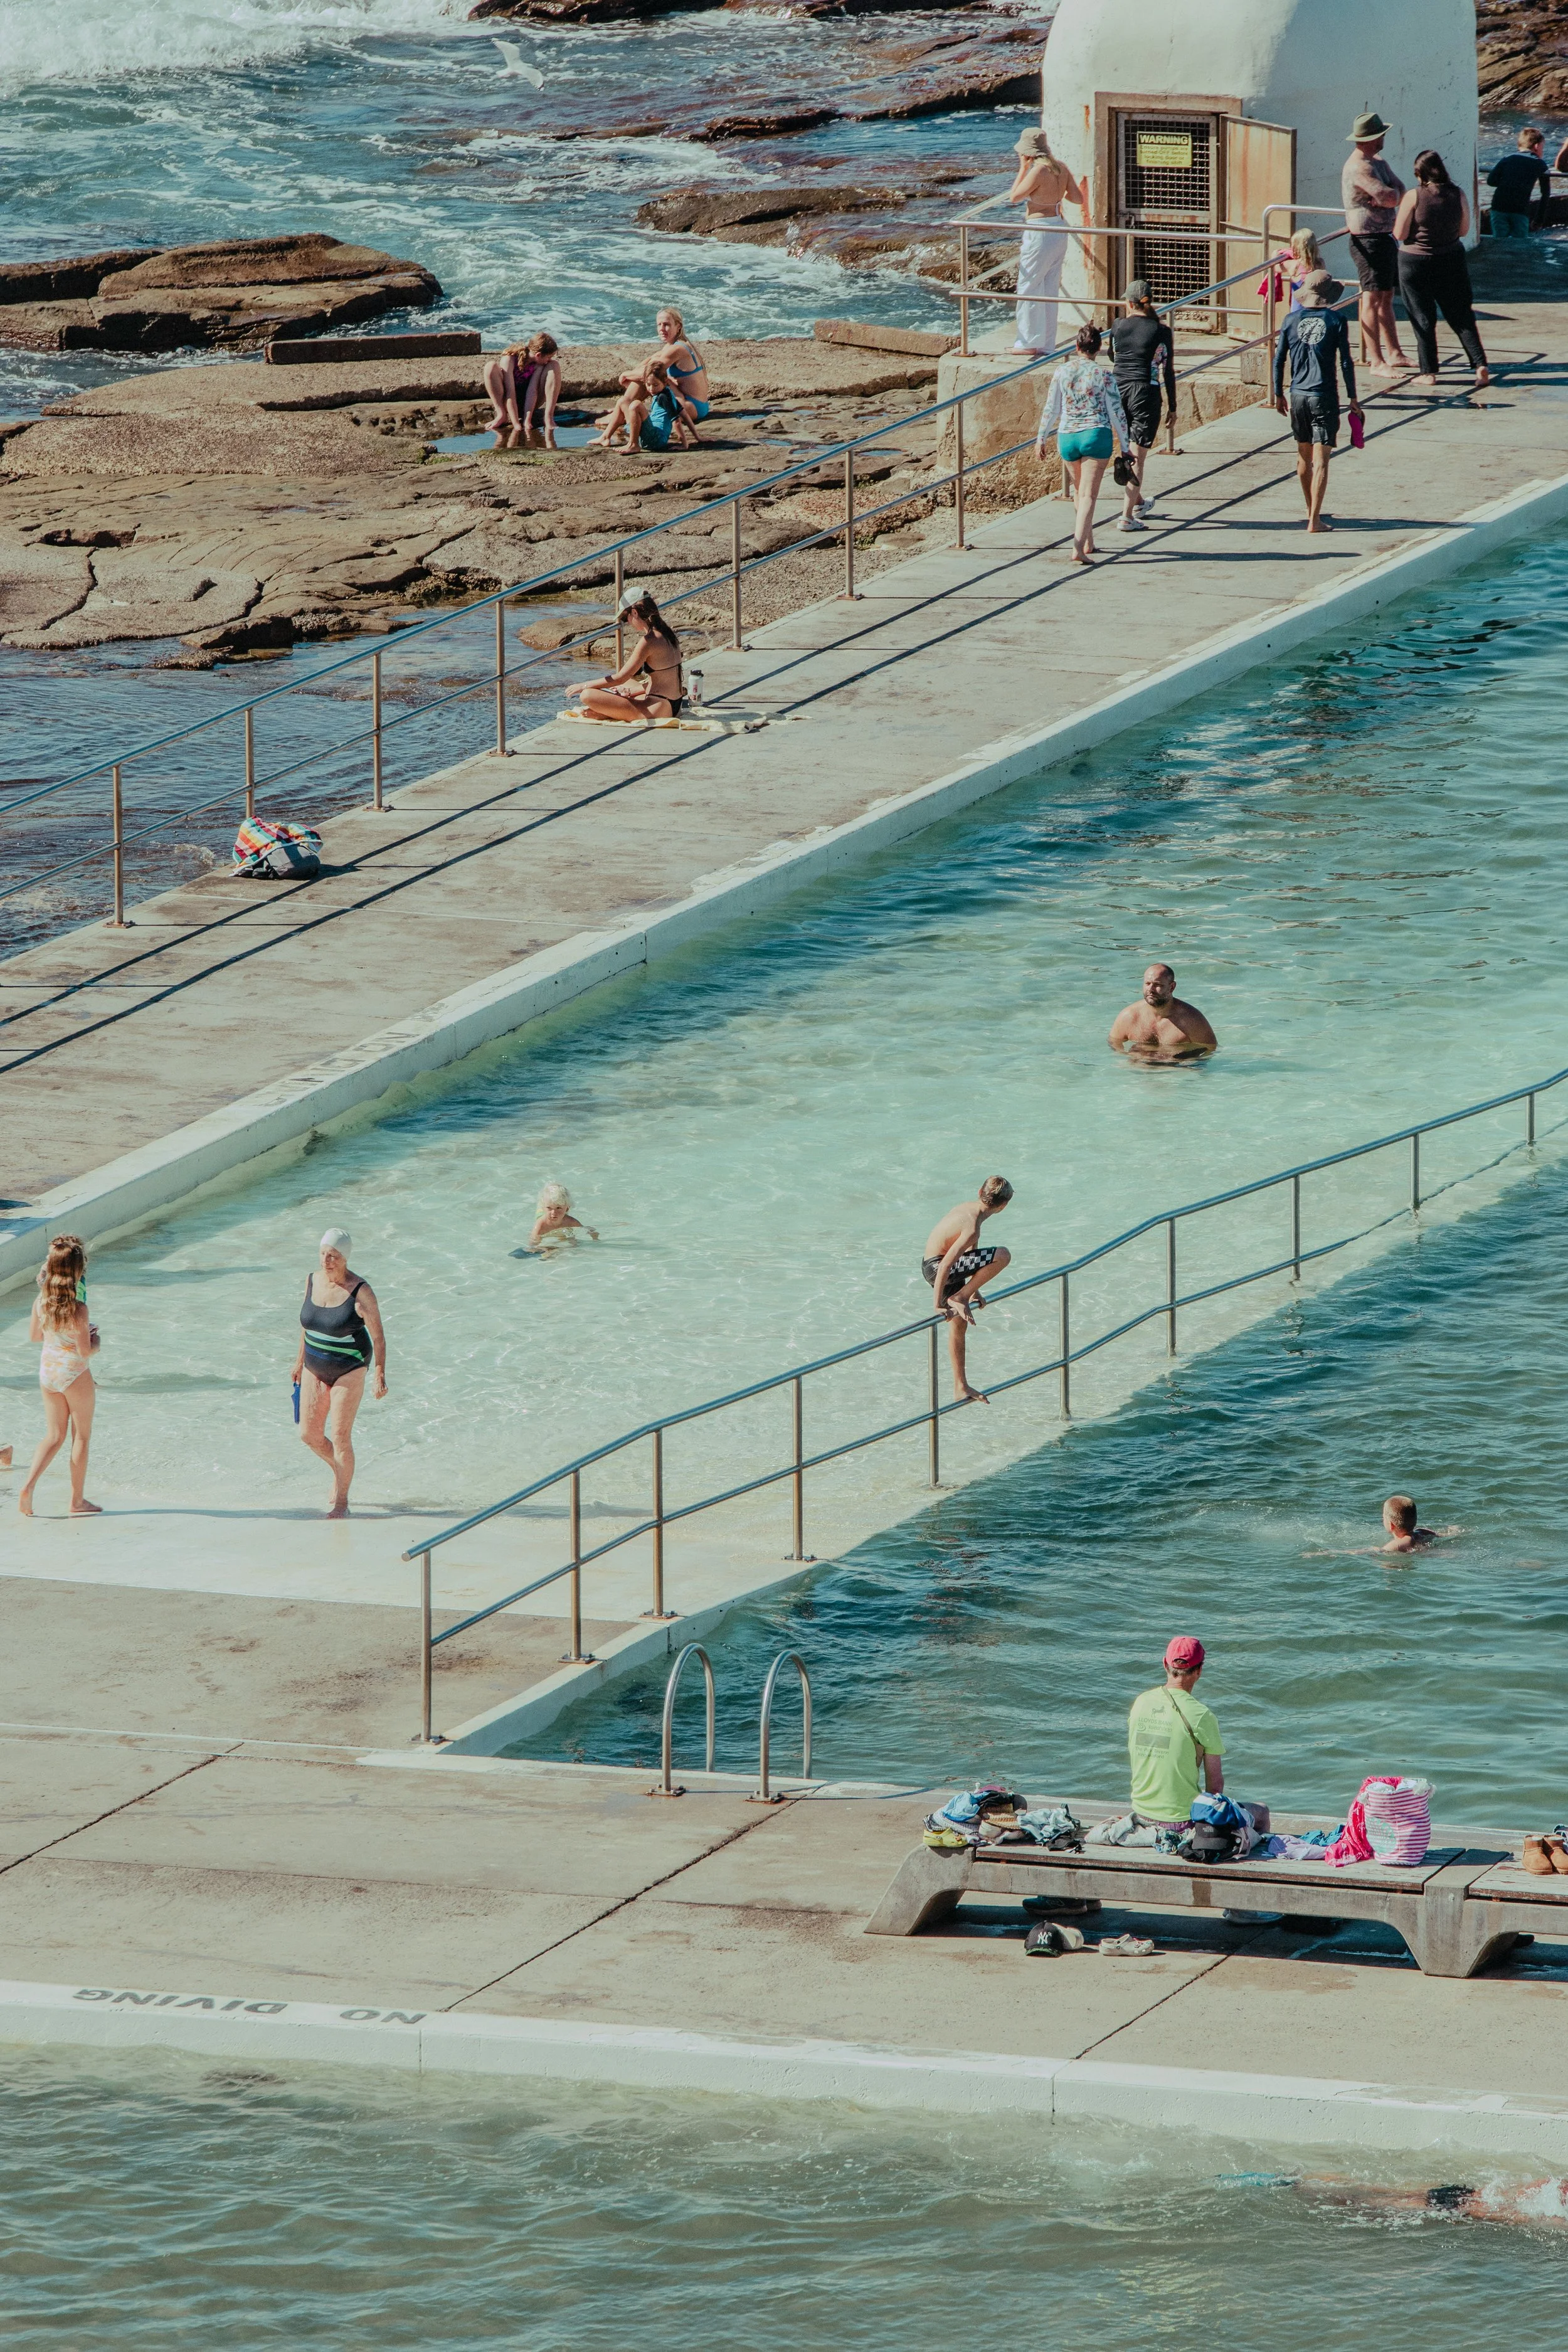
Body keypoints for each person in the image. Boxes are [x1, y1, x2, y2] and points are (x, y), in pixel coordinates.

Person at [291, 1227, 386, 1519]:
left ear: (345, 1258)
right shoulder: (311, 1281)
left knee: (340, 1436)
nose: (326, 1260)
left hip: (350, 1367)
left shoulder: (361, 1291)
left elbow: (379, 1337)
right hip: (314, 1366)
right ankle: (338, 1469)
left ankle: (342, 1502)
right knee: (308, 1434)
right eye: (323, 1254)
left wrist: (379, 1374)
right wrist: (298, 1362)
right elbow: (307, 1326)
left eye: (333, 1256)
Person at [1272, 269, 1362, 535]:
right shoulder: (1336, 320)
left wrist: (1278, 393)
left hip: (1297, 395)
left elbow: (1279, 360)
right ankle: (1315, 520)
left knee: (1303, 459)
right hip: (1324, 396)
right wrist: (1353, 397)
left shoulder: (1290, 320)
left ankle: (1313, 512)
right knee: (1321, 461)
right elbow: (1346, 360)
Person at [18, 1234, 100, 1518]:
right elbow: (85, 1352)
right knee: (81, 1438)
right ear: (78, 1271)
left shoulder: (41, 1303)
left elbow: (34, 1336)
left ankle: (28, 1487)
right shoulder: (79, 1309)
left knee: (53, 1435)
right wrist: (96, 1339)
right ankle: (77, 1501)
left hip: (48, 1373)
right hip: (74, 1374)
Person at [1035, 323, 1130, 564]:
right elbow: (1116, 412)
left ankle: (1088, 541)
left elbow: (1052, 408)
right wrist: (1126, 447)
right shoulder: (1104, 375)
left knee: (1079, 491)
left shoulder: (1061, 371)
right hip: (1095, 435)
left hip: (1067, 437)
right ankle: (1077, 547)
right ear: (1098, 349)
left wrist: (1041, 437)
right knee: (1089, 494)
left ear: (1077, 347)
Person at [1395, 152, 1491, 389]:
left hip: (1415, 262)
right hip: (1451, 258)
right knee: (1461, 314)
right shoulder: (1457, 194)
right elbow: (1464, 230)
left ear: (1420, 174)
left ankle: (1428, 372)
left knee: (1423, 317)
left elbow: (1399, 234)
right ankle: (1480, 365)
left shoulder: (1413, 196)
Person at [921, 1177, 1014, 1406]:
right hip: (939, 1267)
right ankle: (959, 1297)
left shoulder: (969, 1209)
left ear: (979, 1191)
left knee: (959, 1325)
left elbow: (971, 1251)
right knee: (1003, 1255)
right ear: (1003, 1207)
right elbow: (945, 1265)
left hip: (937, 1265)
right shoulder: (972, 1225)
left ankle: (960, 1386)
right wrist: (938, 1305)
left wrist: (973, 1290)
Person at [1128, 1635, 1224, 1833]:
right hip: (1181, 1821)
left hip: (1140, 1815)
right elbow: (1215, 1787)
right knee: (1261, 1813)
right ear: (1199, 1671)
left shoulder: (1141, 1702)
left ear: (1165, 1664)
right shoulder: (1202, 1715)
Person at [1008, 129, 1089, 356]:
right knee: (1050, 288)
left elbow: (1014, 197)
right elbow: (1077, 198)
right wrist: (1056, 192)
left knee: (1029, 286)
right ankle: (1046, 343)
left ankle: (1027, 343)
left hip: (1039, 231)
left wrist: (1023, 169)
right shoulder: (1060, 167)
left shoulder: (1038, 171)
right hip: (1058, 228)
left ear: (1028, 153)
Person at [1340, 112, 1410, 373]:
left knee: (1387, 295)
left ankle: (1394, 353)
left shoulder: (1378, 161)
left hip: (1385, 237)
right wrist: (1387, 195)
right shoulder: (1359, 167)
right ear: (1372, 137)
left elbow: (1400, 191)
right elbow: (1391, 196)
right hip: (1367, 240)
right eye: (1381, 134)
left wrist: (1388, 195)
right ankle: (1376, 360)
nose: (1384, 138)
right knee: (1371, 297)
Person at [1108, 279, 1174, 531]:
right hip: (1146, 393)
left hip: (1118, 392)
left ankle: (1138, 503)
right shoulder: (1161, 331)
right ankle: (1126, 517)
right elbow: (1167, 371)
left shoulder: (1117, 326)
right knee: (1137, 458)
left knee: (1127, 451)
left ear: (1128, 302)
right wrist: (1174, 406)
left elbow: (1114, 356)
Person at [566, 586, 684, 722]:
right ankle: (613, 711)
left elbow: (620, 678)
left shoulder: (649, 641)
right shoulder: (667, 632)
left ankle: (608, 713)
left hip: (659, 709)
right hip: (673, 703)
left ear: (634, 613)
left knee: (587, 695)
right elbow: (664, 679)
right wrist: (630, 692)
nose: (627, 622)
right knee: (626, 684)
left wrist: (583, 685)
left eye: (625, 617)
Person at [1108, 963, 1216, 1058]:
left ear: (1172, 987)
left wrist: (1182, 1062)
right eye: (1147, 984)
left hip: (1175, 1073)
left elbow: (1210, 1049)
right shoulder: (1129, 1016)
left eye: (1157, 985)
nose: (1150, 990)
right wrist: (1128, 1059)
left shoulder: (1192, 1020)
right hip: (1139, 1072)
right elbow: (1114, 1044)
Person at [483, 333, 561, 437]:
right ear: (538, 355)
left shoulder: (539, 365)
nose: (549, 360)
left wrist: (527, 420)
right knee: (490, 366)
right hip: (508, 400)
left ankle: (548, 417)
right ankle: (501, 414)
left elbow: (532, 391)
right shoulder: (510, 359)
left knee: (555, 365)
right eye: (549, 357)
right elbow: (510, 393)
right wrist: (516, 424)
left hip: (530, 404)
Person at [653, 307, 710, 433]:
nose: (662, 329)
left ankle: (623, 410)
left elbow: (651, 373)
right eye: (659, 325)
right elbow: (650, 362)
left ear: (678, 326)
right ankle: (623, 409)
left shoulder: (677, 349)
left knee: (654, 380)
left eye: (666, 325)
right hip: (700, 406)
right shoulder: (677, 345)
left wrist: (626, 375)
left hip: (690, 407)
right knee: (654, 379)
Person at [1488, 127, 1551, 238]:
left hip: (1498, 206)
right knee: (1520, 244)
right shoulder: (1540, 164)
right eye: (1543, 148)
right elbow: (1545, 193)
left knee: (1499, 242)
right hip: (1520, 209)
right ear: (1537, 147)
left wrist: (1510, 182)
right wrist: (1539, 220)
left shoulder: (1508, 158)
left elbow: (1491, 181)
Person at [528, 1180, 599, 1251]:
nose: (554, 1212)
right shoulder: (541, 1224)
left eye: (558, 1208)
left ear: (567, 1208)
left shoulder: (570, 1222)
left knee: (572, 1242)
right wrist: (540, 1249)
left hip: (558, 1214)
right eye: (549, 1208)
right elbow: (533, 1242)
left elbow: (586, 1229)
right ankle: (548, 1206)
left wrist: (594, 1236)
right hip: (542, 1212)